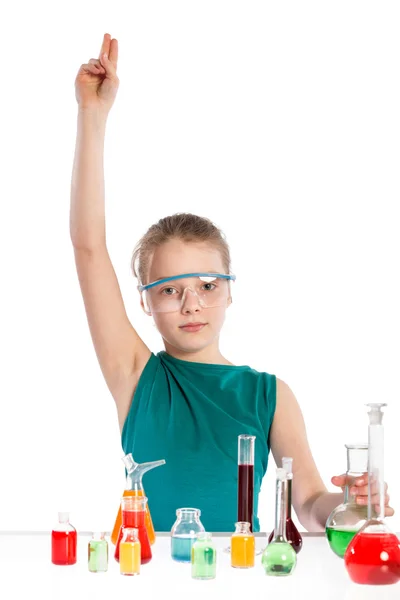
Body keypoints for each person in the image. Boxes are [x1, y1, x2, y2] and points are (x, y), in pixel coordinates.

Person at [71, 33, 394, 532]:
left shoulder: (268, 395)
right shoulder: (136, 376)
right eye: (169, 290)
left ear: (228, 290)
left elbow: (308, 504)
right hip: (145, 575)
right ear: (145, 304)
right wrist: (92, 116)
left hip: (234, 573)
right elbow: (88, 246)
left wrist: (351, 508)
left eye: (206, 285)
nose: (191, 305)